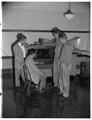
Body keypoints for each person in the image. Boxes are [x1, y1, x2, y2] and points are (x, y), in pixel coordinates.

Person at [57, 33, 80, 100]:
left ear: (63, 38)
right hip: (62, 64)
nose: (60, 40)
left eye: (60, 39)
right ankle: (62, 91)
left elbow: (69, 57)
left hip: (65, 65)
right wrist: (59, 61)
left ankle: (66, 94)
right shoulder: (64, 45)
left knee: (65, 80)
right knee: (61, 79)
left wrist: (67, 66)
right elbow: (62, 55)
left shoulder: (68, 45)